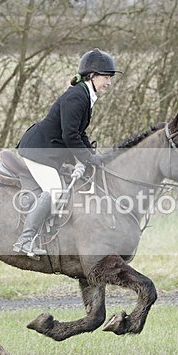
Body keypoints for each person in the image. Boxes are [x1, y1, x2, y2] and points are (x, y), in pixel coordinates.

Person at [12, 48, 120, 255]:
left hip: (48, 150)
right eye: (106, 77)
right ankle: (25, 240)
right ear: (92, 75)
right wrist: (86, 158)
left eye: (110, 78)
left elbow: (79, 132)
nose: (109, 82)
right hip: (38, 150)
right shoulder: (76, 97)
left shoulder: (85, 96)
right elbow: (69, 135)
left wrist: (92, 156)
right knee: (55, 190)